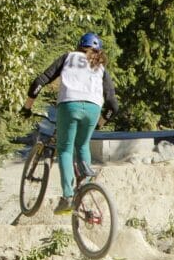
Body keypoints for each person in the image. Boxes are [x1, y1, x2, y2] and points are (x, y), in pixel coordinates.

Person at [23, 32, 120, 213]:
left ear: (79, 46)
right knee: (82, 145)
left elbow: (39, 82)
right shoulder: (101, 69)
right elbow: (113, 106)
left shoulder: (68, 57)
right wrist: (98, 123)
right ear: (99, 51)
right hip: (93, 108)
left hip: (69, 105)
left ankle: (67, 196)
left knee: (65, 149)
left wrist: (27, 107)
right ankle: (85, 186)